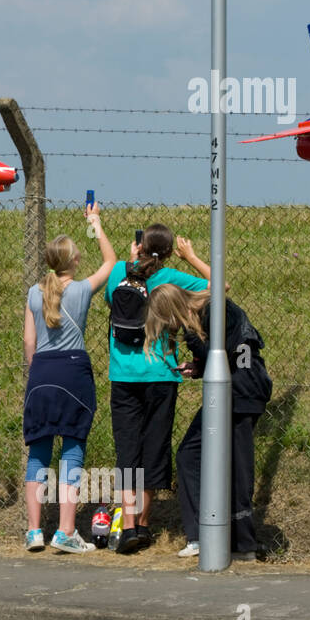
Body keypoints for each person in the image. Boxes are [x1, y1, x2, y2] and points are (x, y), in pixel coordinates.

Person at [105, 224, 212, 554]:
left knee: (128, 451)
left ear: (139, 246)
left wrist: (130, 259)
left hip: (123, 374)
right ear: (167, 252)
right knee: (153, 446)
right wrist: (191, 257)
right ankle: (143, 523)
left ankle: (126, 525)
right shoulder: (171, 278)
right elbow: (219, 285)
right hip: (161, 374)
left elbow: (115, 294)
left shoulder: (118, 275)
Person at [144, 286, 272, 560]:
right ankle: (203, 534)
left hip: (242, 393)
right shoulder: (204, 313)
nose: (172, 330)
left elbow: (227, 350)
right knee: (190, 455)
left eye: (169, 323)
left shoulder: (214, 310)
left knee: (236, 467)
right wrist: (199, 367)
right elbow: (223, 352)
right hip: (229, 392)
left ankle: (242, 543)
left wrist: (192, 339)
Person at [22, 205, 117, 553]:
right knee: (72, 449)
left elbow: (29, 342)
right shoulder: (79, 290)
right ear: (74, 260)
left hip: (41, 373)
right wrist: (96, 223)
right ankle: (65, 531)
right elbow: (110, 262)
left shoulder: (35, 293)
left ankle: (34, 532)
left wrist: (36, 372)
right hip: (73, 371)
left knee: (39, 452)